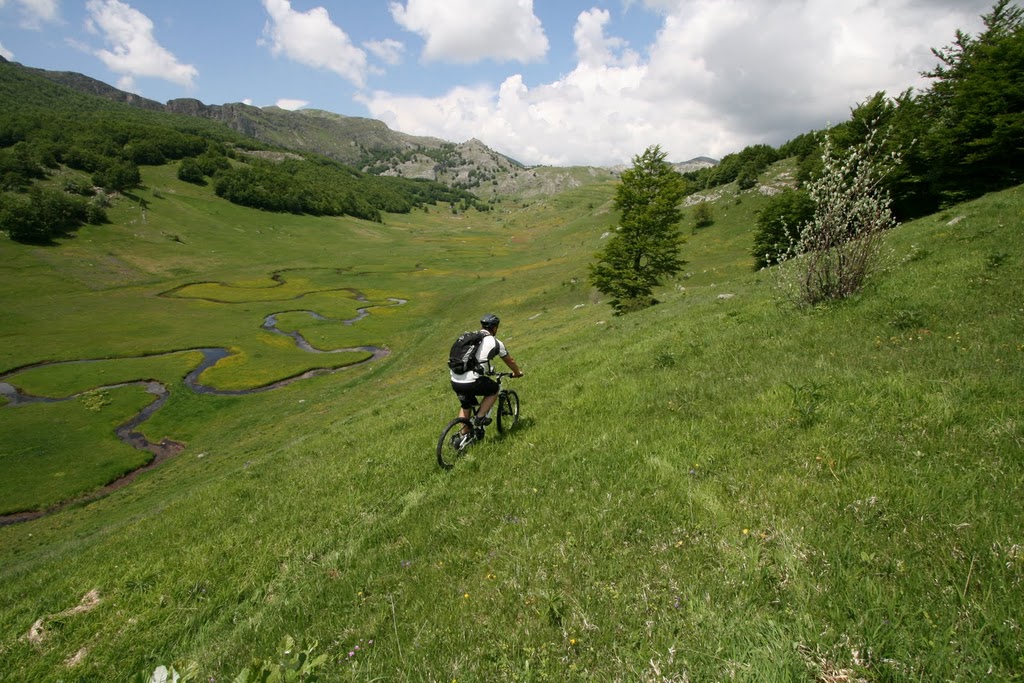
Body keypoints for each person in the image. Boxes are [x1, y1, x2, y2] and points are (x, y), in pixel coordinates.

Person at [450, 313, 523, 436]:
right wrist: (517, 372)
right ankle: (480, 417)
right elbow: (509, 360)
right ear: (494, 328)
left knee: (466, 405)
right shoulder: (495, 342)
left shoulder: (469, 337)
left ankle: (463, 437)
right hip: (472, 381)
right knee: (494, 389)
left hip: (455, 380)